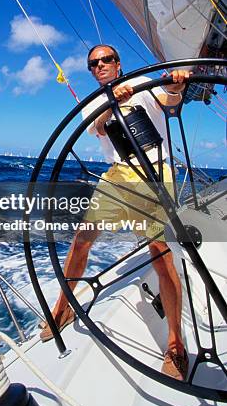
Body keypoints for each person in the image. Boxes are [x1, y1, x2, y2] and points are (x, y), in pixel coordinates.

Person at [40, 44, 190, 381]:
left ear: (118, 64)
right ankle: (62, 309)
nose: (100, 66)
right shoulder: (93, 103)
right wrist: (112, 103)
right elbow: (98, 125)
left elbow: (170, 99)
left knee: (159, 254)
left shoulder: (143, 84)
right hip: (118, 174)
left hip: (155, 170)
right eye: (94, 64)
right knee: (81, 241)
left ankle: (176, 345)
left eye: (106, 60)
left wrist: (177, 84)